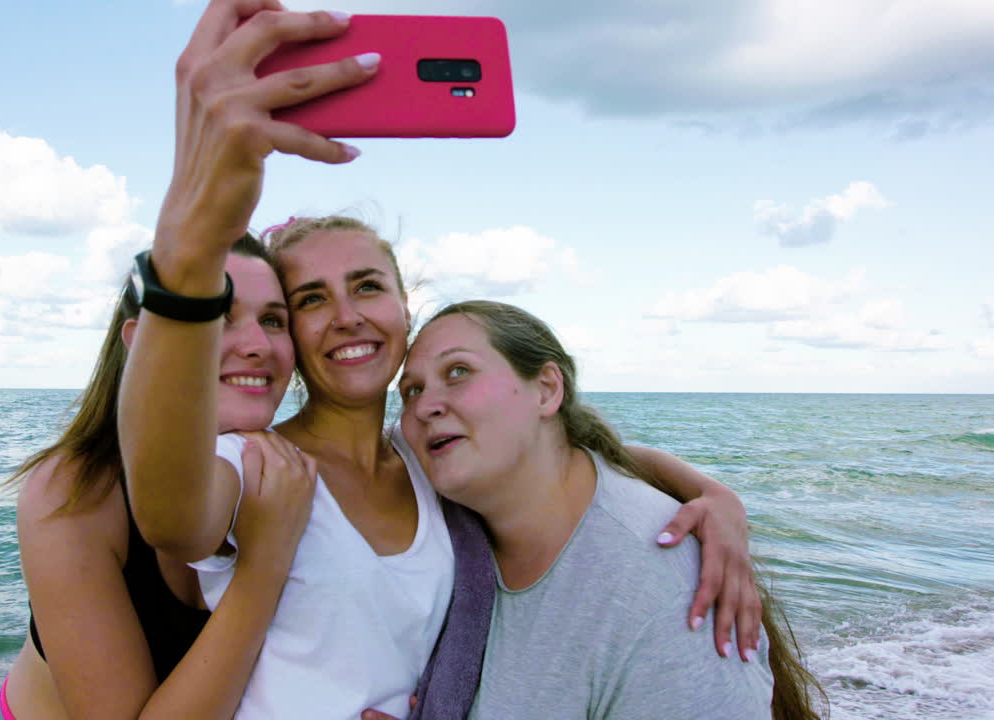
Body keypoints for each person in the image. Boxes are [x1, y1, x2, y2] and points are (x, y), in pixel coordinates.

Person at [119, 4, 764, 718]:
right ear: (292, 339)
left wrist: (715, 497)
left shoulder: (428, 463)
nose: (347, 315)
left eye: (367, 286)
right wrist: (191, 244)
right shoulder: (259, 468)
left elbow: (557, 455)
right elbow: (167, 515)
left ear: (404, 307)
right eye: (310, 300)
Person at [391, 300, 826, 719]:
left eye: (458, 371)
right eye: (411, 390)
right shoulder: (455, 531)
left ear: (546, 390)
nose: (425, 405)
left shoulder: (663, 596)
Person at [0, 235, 319, 720]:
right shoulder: (78, 491)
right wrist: (265, 563)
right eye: (218, 316)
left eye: (273, 320)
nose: (258, 345)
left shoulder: (290, 474)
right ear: (145, 344)